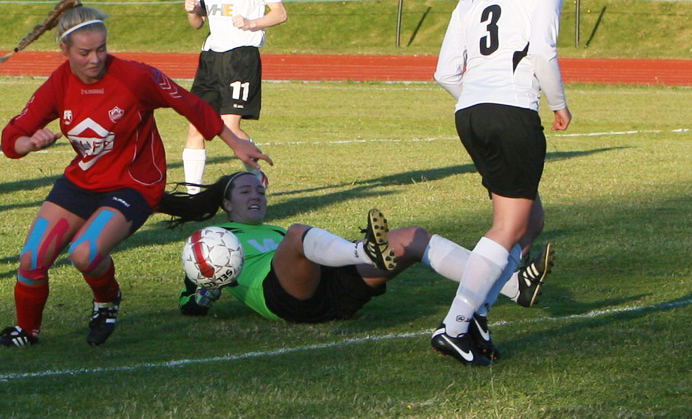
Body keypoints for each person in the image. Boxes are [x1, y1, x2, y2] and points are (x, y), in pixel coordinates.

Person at [0, 0, 272, 347]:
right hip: (83, 181)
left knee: (85, 253)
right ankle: (26, 332)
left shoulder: (136, 76)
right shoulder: (58, 85)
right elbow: (11, 136)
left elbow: (189, 103)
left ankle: (106, 301)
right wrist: (27, 144)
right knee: (32, 259)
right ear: (64, 50)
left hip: (134, 184)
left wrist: (233, 141)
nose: (95, 59)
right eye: (84, 53)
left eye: (101, 49)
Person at [432, 0, 571, 366]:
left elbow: (445, 72)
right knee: (509, 227)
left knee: (531, 220)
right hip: (510, 110)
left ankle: (478, 313)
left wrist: (479, 100)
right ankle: (455, 325)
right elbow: (543, 52)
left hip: (469, 113)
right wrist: (559, 104)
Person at [160, 173, 554, 328]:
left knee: (414, 237)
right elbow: (189, 303)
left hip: (330, 290)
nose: (256, 194)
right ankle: (364, 252)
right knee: (300, 234)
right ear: (227, 204)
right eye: (245, 190)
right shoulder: (212, 239)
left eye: (260, 189)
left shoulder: (275, 229)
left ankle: (512, 286)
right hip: (287, 300)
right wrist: (202, 293)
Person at [182, 0, 288, 194]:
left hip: (241, 56)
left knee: (228, 125)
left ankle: (257, 174)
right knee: (196, 125)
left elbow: (280, 13)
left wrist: (252, 23)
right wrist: (192, 10)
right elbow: (197, 23)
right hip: (211, 57)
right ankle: (193, 196)